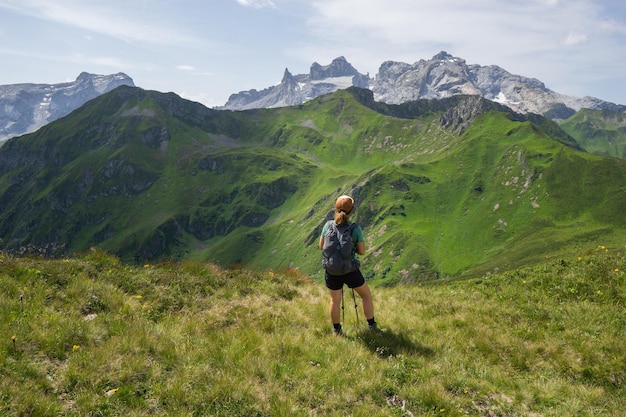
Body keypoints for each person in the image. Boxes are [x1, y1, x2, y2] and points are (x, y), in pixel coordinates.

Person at [319, 195, 378, 335]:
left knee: (334, 301)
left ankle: (337, 331)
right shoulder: (355, 229)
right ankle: (372, 327)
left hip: (331, 270)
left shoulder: (327, 225)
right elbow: (362, 251)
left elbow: (321, 246)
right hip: (350, 270)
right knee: (366, 295)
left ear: (335, 209)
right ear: (352, 210)